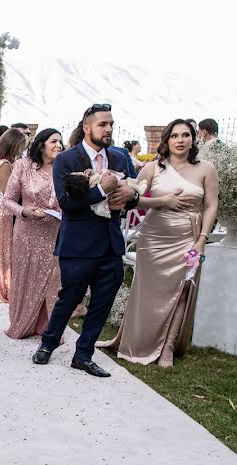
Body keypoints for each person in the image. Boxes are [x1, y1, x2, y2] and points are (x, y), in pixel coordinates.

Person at [32, 103, 142, 377]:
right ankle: (48, 344)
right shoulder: (67, 159)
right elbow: (66, 203)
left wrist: (131, 198)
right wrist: (101, 191)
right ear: (87, 127)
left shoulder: (119, 157)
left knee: (102, 302)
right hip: (78, 244)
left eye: (111, 124)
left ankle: (83, 354)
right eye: (103, 124)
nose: (108, 129)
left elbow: (134, 192)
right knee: (68, 298)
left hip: (110, 243)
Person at [99, 119, 219, 367]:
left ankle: (168, 347)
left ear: (193, 139)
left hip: (189, 235)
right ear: (166, 140)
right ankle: (142, 339)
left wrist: (202, 239)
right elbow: (134, 200)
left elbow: (211, 206)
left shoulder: (206, 169)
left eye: (186, 135)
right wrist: (163, 201)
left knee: (184, 288)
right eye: (174, 136)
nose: (180, 140)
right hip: (154, 237)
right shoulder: (153, 169)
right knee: (148, 292)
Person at [4, 129, 65, 338]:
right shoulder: (23, 166)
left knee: (52, 279)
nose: (59, 145)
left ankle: (48, 326)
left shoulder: (63, 170)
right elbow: (8, 200)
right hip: (27, 231)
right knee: (26, 276)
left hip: (55, 232)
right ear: (41, 145)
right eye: (54, 141)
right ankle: (22, 323)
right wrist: (24, 211)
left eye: (60, 142)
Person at [0, 129, 28, 303]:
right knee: (4, 247)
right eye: (20, 147)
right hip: (2, 207)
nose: (20, 152)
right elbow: (9, 191)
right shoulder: (4, 165)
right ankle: (2, 287)